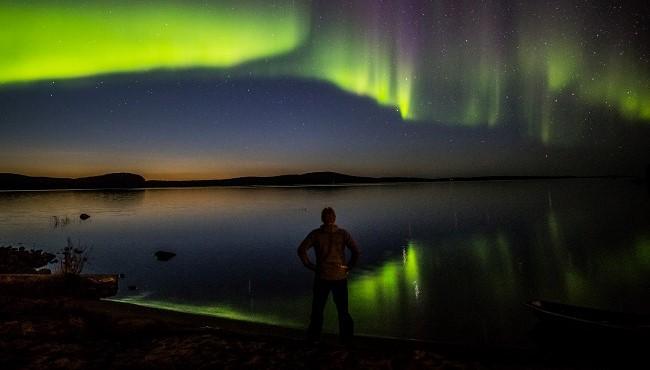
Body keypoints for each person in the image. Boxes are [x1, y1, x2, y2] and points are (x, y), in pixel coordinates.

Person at [297, 207, 360, 344]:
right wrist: (349, 267)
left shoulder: (316, 234)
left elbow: (301, 250)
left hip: (322, 276)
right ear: (334, 218)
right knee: (343, 311)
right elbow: (356, 252)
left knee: (318, 310)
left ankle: (314, 338)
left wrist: (311, 266)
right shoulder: (343, 234)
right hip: (340, 277)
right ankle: (346, 339)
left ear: (322, 219)